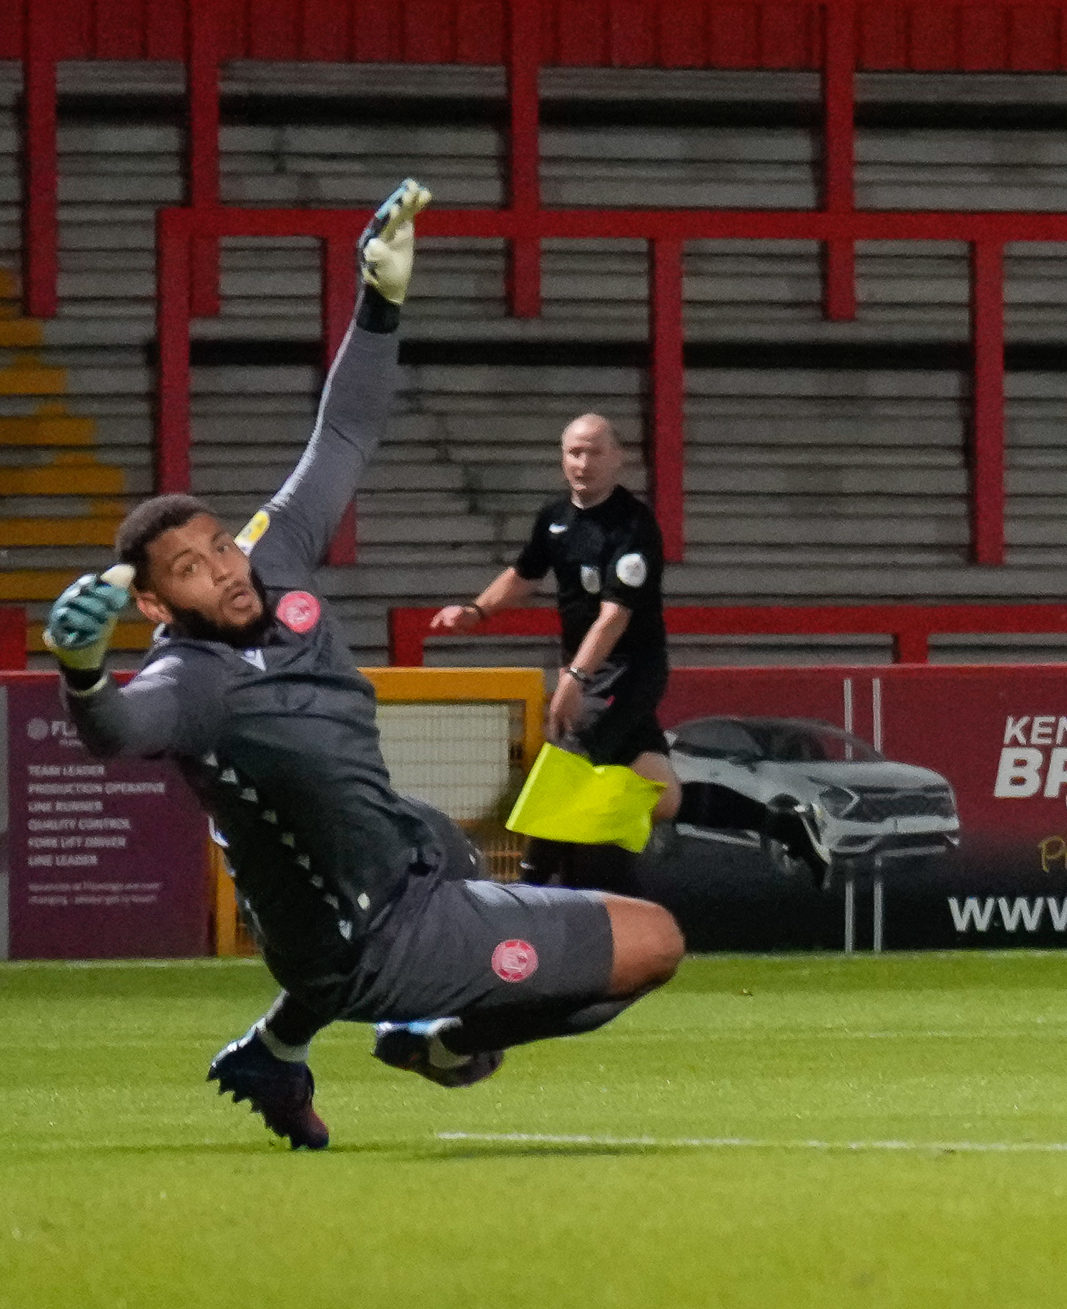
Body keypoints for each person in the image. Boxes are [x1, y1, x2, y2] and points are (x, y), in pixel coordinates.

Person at [40, 181, 684, 1151]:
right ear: (155, 606)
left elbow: (342, 432)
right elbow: (116, 730)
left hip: (381, 874)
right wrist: (81, 668)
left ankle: (277, 1046)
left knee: (441, 839)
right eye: (191, 569)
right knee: (656, 943)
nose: (225, 568)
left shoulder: (275, 556)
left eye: (219, 544)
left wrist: (380, 302)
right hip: (370, 936)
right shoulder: (190, 683)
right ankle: (438, 1041)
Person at [428, 414, 679, 892]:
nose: (583, 463)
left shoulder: (633, 525)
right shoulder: (555, 516)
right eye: (574, 452)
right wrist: (477, 610)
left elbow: (613, 617)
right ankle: (757, 820)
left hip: (628, 672)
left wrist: (575, 679)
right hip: (586, 670)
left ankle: (529, 889)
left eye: (595, 452)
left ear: (618, 458)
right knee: (659, 789)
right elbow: (525, 574)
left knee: (565, 761)